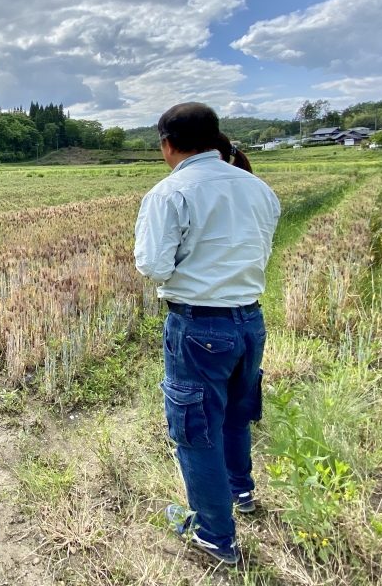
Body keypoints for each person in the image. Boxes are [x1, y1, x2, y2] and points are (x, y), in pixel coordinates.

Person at [134, 103, 280, 565]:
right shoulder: (258, 188)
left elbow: (153, 265)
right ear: (214, 138)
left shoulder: (170, 192)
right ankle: (241, 493)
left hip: (199, 325)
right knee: (235, 414)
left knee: (195, 430)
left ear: (167, 144)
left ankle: (216, 537)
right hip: (249, 319)